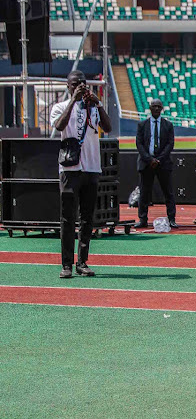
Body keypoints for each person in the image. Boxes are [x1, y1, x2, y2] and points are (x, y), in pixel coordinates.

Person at [50, 70, 112, 278]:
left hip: (91, 168)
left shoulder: (93, 108)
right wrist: (73, 101)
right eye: (76, 84)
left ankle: (82, 262)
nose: (80, 87)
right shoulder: (59, 107)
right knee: (67, 218)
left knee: (87, 219)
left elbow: (108, 127)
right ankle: (66, 264)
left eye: (83, 84)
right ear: (68, 87)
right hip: (70, 169)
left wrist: (98, 104)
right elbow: (59, 126)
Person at [134, 99, 178, 229]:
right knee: (144, 193)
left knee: (168, 192)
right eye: (154, 107)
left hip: (163, 163)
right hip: (146, 163)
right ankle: (142, 219)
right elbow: (139, 144)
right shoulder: (142, 125)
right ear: (150, 108)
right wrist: (149, 159)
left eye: (159, 107)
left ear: (162, 108)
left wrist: (159, 159)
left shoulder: (168, 125)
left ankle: (172, 219)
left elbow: (170, 144)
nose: (157, 109)